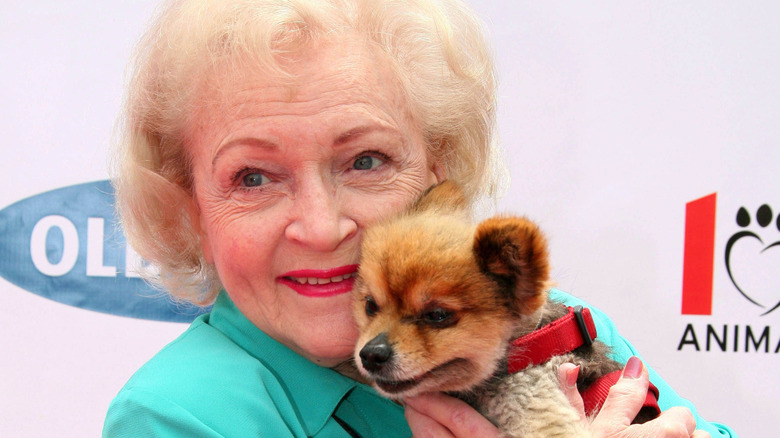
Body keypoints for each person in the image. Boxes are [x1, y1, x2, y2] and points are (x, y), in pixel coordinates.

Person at [103, 0, 736, 437]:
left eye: (366, 160)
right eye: (254, 177)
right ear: (192, 212)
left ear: (440, 166)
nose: (322, 229)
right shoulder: (177, 415)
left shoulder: (548, 327)